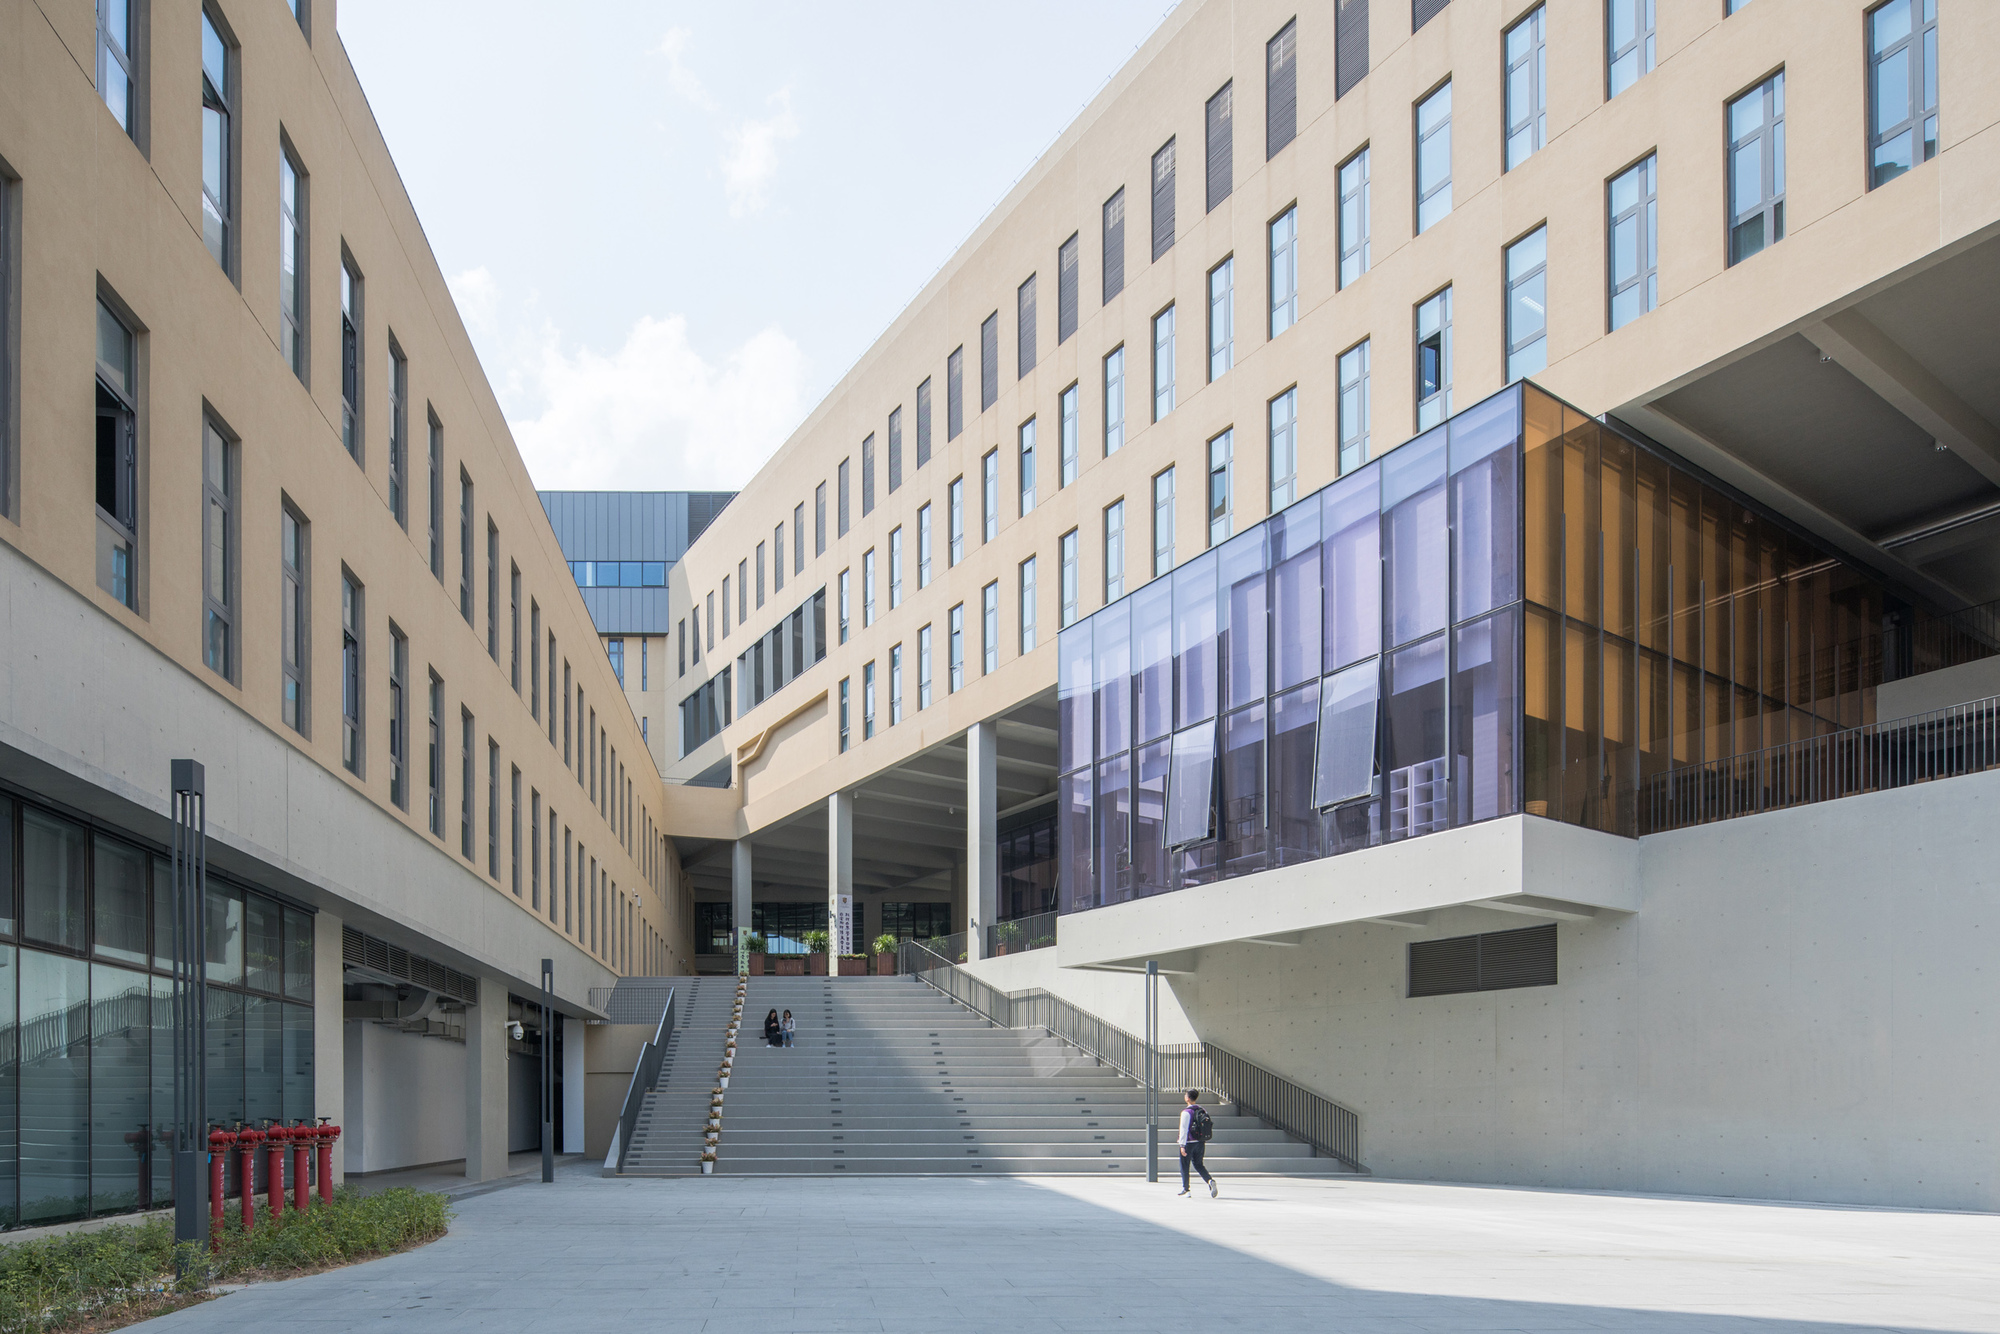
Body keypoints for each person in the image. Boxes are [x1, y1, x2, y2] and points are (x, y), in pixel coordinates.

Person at [1177, 1089, 1217, 1198]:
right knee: (1199, 1164)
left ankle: (1186, 1189)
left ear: (1188, 1098)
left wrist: (1182, 1145)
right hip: (1200, 1142)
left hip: (1189, 1142)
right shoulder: (1202, 1110)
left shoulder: (1186, 1112)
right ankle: (1209, 1180)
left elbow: (1183, 1130)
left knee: (1184, 1165)